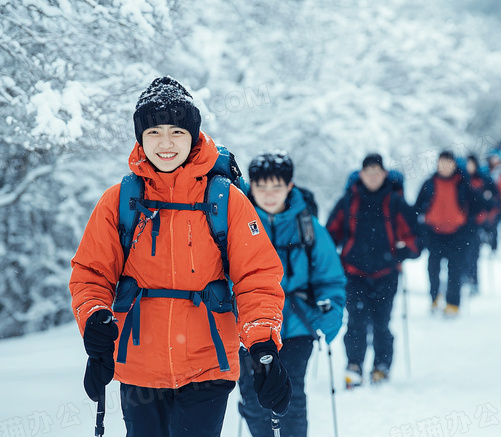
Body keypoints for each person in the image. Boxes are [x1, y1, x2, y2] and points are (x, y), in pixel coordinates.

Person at [69, 76, 291, 437]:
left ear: (194, 136)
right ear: (141, 138)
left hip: (209, 363)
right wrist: (94, 318)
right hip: (138, 365)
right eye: (154, 132)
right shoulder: (120, 201)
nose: (166, 143)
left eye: (176, 131)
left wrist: (262, 339)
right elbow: (91, 273)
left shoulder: (226, 200)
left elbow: (257, 277)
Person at [238, 152, 346, 437]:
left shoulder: (308, 226)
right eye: (261, 187)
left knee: (292, 394)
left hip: (298, 324)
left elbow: (330, 278)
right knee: (253, 396)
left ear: (290, 186)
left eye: (276, 187)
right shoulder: (237, 224)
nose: (269, 195)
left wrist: (331, 312)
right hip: (250, 327)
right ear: (251, 187)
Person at [326, 153, 419, 387]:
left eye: (377, 172)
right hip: (353, 273)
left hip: (386, 273)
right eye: (368, 172)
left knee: (381, 322)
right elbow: (330, 234)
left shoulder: (395, 202)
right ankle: (354, 365)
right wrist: (332, 257)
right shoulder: (348, 200)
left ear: (384, 174)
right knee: (356, 321)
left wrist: (401, 253)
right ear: (361, 174)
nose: (373, 177)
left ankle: (381, 365)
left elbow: (415, 237)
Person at [414, 150, 471, 316]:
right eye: (441, 163)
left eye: (448, 163)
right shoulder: (429, 183)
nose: (444, 167)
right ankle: (434, 298)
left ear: (454, 164)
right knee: (433, 269)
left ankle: (453, 304)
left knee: (455, 270)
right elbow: (417, 208)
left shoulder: (462, 183)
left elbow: (475, 206)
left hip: (457, 234)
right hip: (434, 234)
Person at [464, 154, 498, 295]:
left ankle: (473, 281)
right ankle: (465, 279)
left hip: (478, 223)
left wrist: (488, 214)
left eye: (470, 164)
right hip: (463, 225)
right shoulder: (461, 181)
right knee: (464, 254)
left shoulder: (483, 179)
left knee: (473, 253)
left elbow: (495, 198)